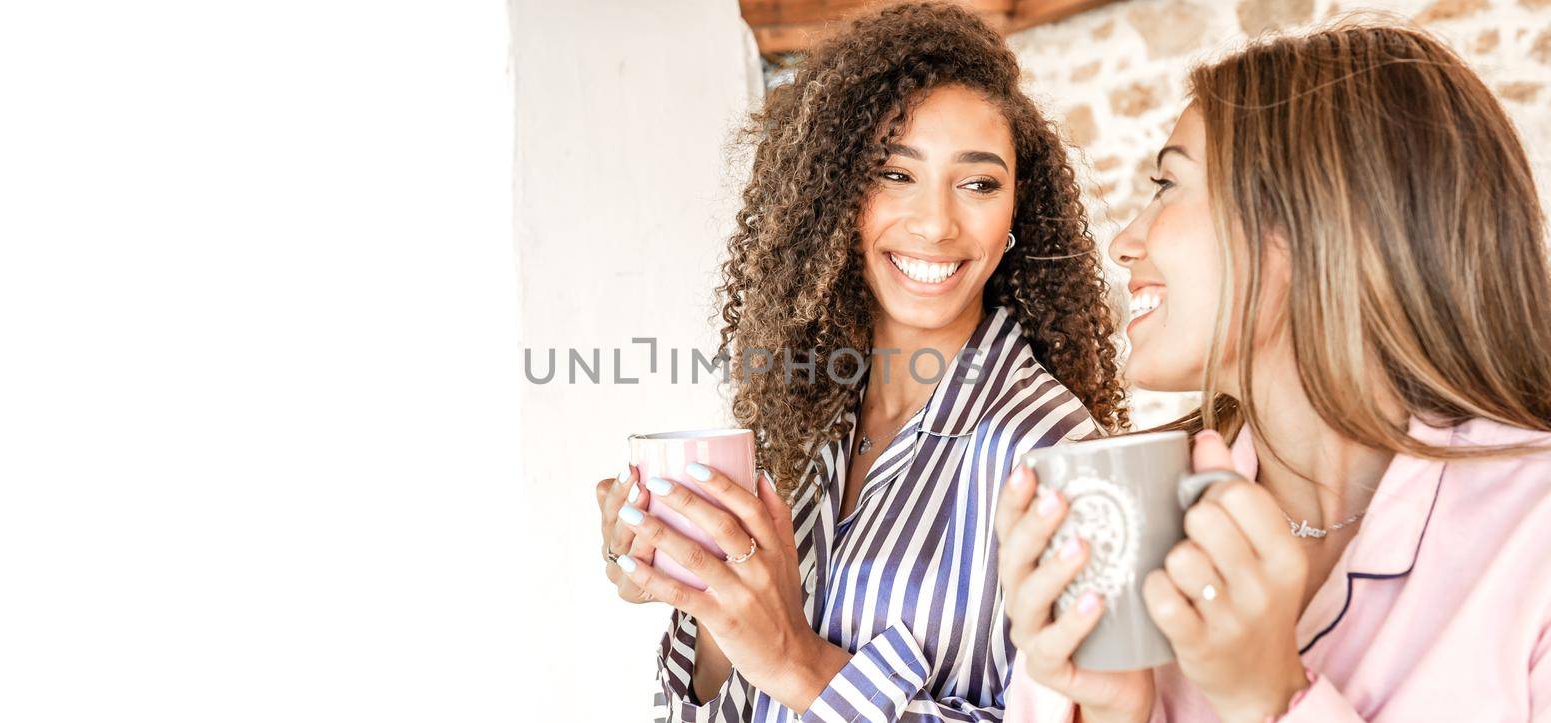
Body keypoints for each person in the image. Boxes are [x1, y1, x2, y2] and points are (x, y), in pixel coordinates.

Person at [996, 23, 1551, 722]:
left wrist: (1273, 700)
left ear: (1318, 216)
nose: (1125, 239)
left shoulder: (1534, 537)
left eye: (1168, 184)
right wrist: (1111, 710)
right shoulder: (1127, 530)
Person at [591, 3, 1130, 720]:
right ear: (837, 199)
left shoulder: (1056, 456)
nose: (936, 222)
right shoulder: (807, 423)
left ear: (1015, 220)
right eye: (895, 175)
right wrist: (706, 594)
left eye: (978, 183)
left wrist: (797, 661)